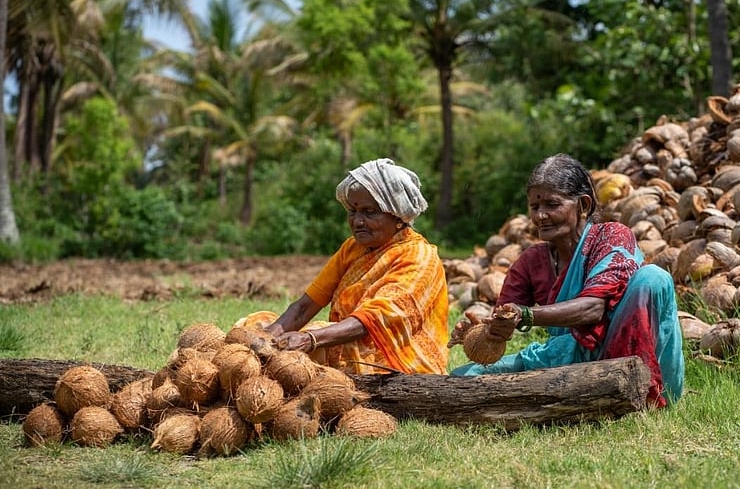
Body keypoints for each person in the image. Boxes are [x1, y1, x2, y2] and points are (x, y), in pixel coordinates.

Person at [449, 154, 684, 407]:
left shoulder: (612, 237)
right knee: (463, 377)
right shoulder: (531, 262)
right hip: (569, 358)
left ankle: (641, 395)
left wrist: (526, 315)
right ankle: (588, 394)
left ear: (583, 205)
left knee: (653, 278)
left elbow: (593, 308)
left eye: (552, 205)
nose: (540, 216)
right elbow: (504, 323)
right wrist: (482, 334)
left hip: (627, 359)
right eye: (535, 207)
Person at [238, 158, 449, 375]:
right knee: (252, 326)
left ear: (398, 216)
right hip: (347, 348)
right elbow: (304, 306)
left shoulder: (419, 257)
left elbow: (373, 320)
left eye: (370, 212)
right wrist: (266, 339)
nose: (357, 221)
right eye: (353, 211)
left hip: (398, 364)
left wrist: (310, 339)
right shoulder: (352, 248)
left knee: (302, 350)